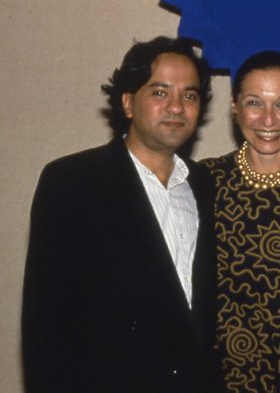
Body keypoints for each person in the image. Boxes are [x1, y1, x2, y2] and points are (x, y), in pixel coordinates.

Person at [22, 37, 221, 392]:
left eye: (189, 95)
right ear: (128, 103)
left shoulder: (204, 185)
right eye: (160, 92)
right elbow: (46, 327)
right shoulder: (72, 182)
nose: (176, 106)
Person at [200, 51, 280, 392]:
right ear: (234, 106)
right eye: (254, 103)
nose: (268, 120)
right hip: (227, 375)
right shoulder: (203, 182)